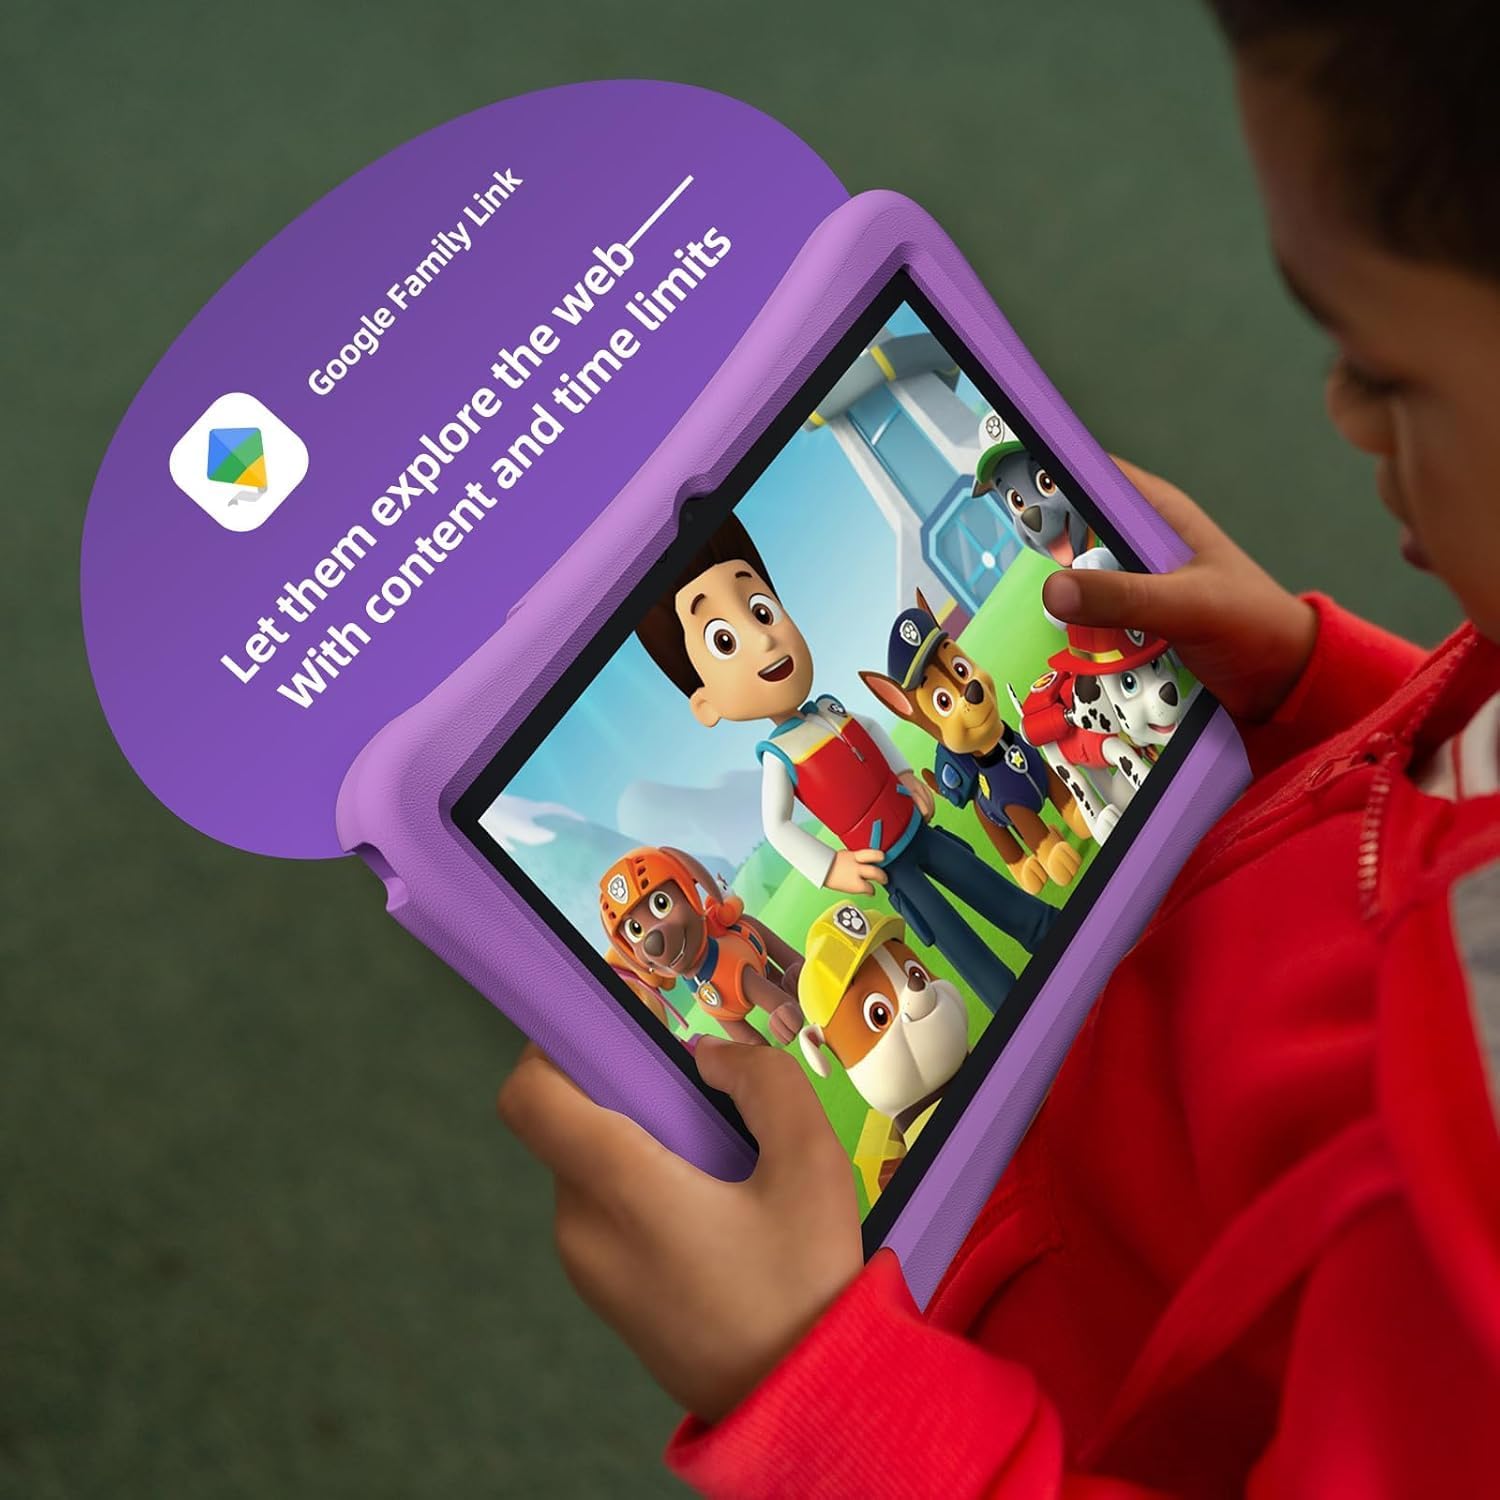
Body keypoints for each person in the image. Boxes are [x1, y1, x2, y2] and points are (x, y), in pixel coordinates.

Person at [497, 2, 1500, 1492]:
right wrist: (1327, 694)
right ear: (707, 701)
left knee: (984, 913)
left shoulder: (1460, 1218)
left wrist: (817, 1388)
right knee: (974, 928)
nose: (1340, 408)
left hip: (1057, 1350)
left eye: (1384, 364)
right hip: (1033, 1031)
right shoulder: (786, 757)